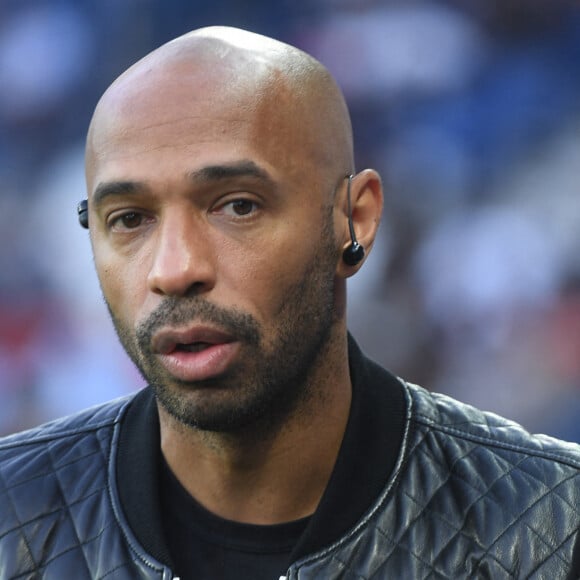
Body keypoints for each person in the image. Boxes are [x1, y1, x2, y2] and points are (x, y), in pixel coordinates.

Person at [1, 26, 580, 580]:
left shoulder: (552, 528)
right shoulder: (12, 518)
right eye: (129, 219)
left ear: (354, 219)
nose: (174, 270)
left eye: (238, 206)